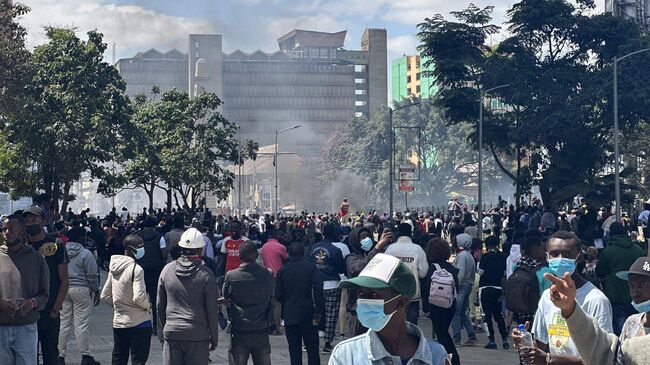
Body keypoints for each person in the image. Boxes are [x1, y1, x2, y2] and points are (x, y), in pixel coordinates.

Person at [512, 231, 613, 364]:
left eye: (567, 254)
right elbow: (540, 345)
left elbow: (604, 356)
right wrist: (525, 342)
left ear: (579, 257)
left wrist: (549, 359)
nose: (560, 259)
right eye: (554, 254)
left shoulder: (596, 300)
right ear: (547, 257)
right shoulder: (548, 297)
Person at [331, 253, 449, 365]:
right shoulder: (346, 355)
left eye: (373, 295)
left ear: (401, 302)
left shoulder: (436, 355)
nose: (363, 301)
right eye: (360, 293)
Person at [540, 257, 650, 365]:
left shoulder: (597, 299)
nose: (635, 292)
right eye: (631, 285)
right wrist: (569, 308)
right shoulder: (631, 322)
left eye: (642, 285)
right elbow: (611, 355)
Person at [157, 228, 219, 365]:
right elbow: (212, 309)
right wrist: (214, 337)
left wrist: (163, 332)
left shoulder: (167, 270)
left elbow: (159, 305)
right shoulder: (206, 274)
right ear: (199, 250)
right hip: (198, 335)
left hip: (172, 333)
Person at [23, 206, 70, 365]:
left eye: (34, 219)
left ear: (43, 221)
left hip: (49, 311)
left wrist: (56, 308)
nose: (31, 223)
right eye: (27, 221)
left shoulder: (56, 245)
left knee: (50, 355)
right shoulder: (22, 246)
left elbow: (64, 279)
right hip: (26, 311)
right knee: (28, 357)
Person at [0, 214, 49, 365]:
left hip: (26, 327)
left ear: (22, 231)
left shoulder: (36, 258)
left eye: (11, 229)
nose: (7, 233)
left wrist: (32, 303)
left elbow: (45, 294)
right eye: (4, 229)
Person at [101, 234, 152, 365]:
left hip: (119, 321)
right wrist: (147, 306)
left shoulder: (114, 267)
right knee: (138, 360)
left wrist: (120, 306)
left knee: (118, 358)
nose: (142, 249)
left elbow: (105, 295)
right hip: (139, 322)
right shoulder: (136, 269)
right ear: (130, 249)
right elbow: (139, 296)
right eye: (139, 247)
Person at [223, 241, 274, 365]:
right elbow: (271, 295)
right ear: (257, 255)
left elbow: (225, 297)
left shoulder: (231, 276)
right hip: (261, 329)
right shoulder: (267, 274)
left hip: (240, 329)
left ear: (239, 256)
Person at [275, 242, 324, 365]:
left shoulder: (282, 271)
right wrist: (319, 310)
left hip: (290, 313)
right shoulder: (312, 268)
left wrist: (288, 301)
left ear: (289, 254)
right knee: (312, 348)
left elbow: (278, 295)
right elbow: (318, 289)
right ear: (303, 253)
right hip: (308, 312)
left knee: (294, 349)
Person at [57, 226, 100, 365]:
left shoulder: (61, 251)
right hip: (82, 289)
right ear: (81, 238)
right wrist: (96, 290)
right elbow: (92, 275)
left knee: (64, 323)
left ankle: (60, 355)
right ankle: (85, 356)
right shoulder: (86, 254)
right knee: (81, 324)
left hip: (64, 290)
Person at [596, 222, 646, 335]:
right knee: (639, 330)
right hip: (637, 298)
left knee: (620, 333)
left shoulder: (608, 252)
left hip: (615, 296)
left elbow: (599, 272)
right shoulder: (638, 250)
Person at [308, 223, 345, 353]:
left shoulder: (313, 248)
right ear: (334, 234)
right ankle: (327, 344)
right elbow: (341, 269)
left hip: (315, 285)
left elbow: (309, 265)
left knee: (314, 313)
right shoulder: (336, 250)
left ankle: (310, 341)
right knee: (331, 315)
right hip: (332, 285)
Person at [384, 223, 429, 325]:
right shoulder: (417, 249)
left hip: (394, 293)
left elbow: (384, 270)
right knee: (412, 326)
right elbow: (423, 273)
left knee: (395, 323)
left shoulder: (390, 249)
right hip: (413, 293)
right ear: (411, 233)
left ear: (398, 233)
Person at [425, 238, 460, 365]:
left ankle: (452, 359)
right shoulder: (451, 268)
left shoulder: (433, 267)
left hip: (436, 305)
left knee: (442, 335)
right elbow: (456, 286)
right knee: (444, 332)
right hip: (450, 305)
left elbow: (427, 287)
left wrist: (425, 307)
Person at [477, 236, 509, 349]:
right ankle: (505, 339)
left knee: (487, 316)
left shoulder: (485, 257)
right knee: (498, 316)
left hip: (485, 288)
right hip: (498, 288)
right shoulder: (503, 257)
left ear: (487, 245)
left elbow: (480, 272)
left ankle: (492, 340)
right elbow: (505, 273)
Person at [135, 215, 166, 332]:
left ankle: (140, 325)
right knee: (155, 299)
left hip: (140, 271)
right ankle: (156, 326)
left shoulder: (137, 237)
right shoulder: (159, 237)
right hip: (155, 271)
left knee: (139, 298)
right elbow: (164, 253)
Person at [451, 233, 477, 346]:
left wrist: (455, 285)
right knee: (462, 313)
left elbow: (460, 274)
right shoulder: (469, 255)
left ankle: (456, 338)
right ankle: (472, 336)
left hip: (462, 286)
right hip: (468, 286)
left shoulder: (461, 256)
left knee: (455, 312)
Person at [260, 229, 288, 335]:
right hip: (278, 276)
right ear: (276, 236)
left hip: (266, 276)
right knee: (277, 303)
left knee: (268, 302)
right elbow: (286, 259)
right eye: (280, 235)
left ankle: (267, 325)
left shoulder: (264, 247)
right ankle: (276, 327)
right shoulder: (280, 247)